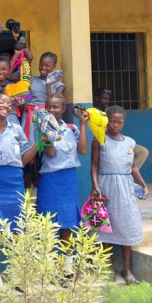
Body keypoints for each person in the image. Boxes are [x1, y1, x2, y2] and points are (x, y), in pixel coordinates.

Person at [0, 94, 38, 293]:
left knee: (17, 230)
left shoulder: (17, 129)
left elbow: (23, 160)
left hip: (15, 182)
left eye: (8, 103)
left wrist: (40, 144)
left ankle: (15, 274)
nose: (6, 105)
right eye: (1, 102)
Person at [91, 105, 148, 285]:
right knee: (105, 227)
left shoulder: (129, 142)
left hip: (125, 188)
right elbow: (94, 165)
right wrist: (95, 186)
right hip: (105, 187)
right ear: (106, 121)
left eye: (119, 122)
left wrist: (143, 185)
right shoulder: (99, 139)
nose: (115, 125)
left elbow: (132, 167)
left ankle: (127, 269)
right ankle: (108, 266)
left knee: (127, 226)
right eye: (112, 121)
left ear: (123, 122)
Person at [36, 95, 88, 277]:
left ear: (63, 109)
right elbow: (49, 154)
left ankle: (67, 269)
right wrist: (49, 133)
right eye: (48, 107)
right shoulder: (42, 129)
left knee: (67, 224)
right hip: (50, 180)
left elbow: (82, 151)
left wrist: (82, 125)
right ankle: (48, 271)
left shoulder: (71, 130)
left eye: (56, 107)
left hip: (68, 180)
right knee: (48, 225)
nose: (51, 110)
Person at [92, 88, 149, 169]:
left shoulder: (109, 111)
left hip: (116, 141)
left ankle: (127, 175)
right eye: (104, 99)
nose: (107, 101)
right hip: (103, 142)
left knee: (143, 151)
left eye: (108, 99)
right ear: (96, 98)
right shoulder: (92, 112)